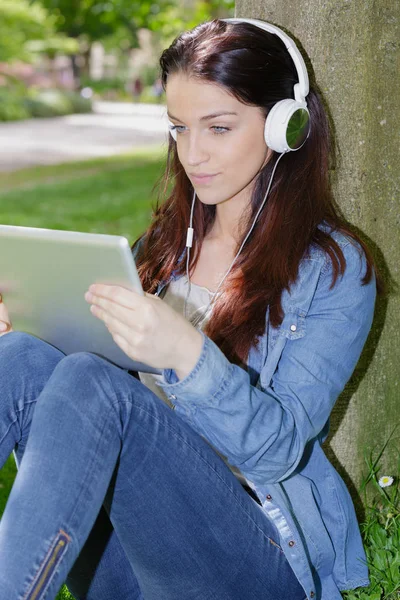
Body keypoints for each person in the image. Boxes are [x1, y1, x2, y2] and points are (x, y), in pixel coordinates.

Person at [0, 17, 382, 600]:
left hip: (253, 560)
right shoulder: (164, 245)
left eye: (218, 127)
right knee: (23, 356)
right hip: (138, 554)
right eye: (179, 128)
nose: (192, 153)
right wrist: (30, 319)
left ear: (287, 127)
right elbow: (86, 392)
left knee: (88, 380)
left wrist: (184, 352)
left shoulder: (335, 270)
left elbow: (278, 451)